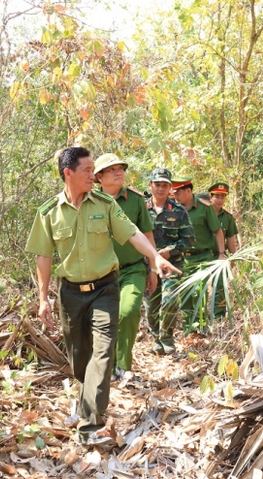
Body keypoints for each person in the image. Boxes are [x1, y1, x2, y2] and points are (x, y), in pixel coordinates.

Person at [25, 147, 180, 446]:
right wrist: (44, 298)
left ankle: (90, 424)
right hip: (70, 294)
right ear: (68, 173)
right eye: (87, 171)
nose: (92, 176)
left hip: (105, 289)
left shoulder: (106, 204)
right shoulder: (48, 212)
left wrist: (154, 259)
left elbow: (133, 233)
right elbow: (43, 256)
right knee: (80, 358)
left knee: (104, 351)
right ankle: (85, 403)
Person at [94, 153, 155, 381]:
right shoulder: (89, 200)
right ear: (99, 176)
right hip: (100, 273)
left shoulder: (136, 200)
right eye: (112, 169)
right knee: (104, 320)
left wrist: (153, 268)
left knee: (128, 312)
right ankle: (106, 368)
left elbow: (147, 234)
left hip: (133, 269)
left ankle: (123, 365)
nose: (119, 172)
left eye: (121, 168)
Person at [145, 168, 195, 354]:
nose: (161, 188)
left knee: (170, 300)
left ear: (170, 187)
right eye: (157, 184)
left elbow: (189, 239)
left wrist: (170, 250)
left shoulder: (179, 211)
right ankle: (156, 339)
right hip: (148, 266)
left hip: (172, 265)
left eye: (165, 185)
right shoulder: (142, 209)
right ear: (151, 185)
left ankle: (167, 338)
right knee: (151, 304)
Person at [171, 176, 225, 330]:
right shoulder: (174, 208)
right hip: (182, 258)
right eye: (174, 193)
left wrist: (221, 253)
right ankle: (189, 326)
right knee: (185, 293)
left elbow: (217, 231)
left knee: (199, 292)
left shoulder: (204, 207)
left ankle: (201, 325)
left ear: (188, 191)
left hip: (202, 257)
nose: (176, 196)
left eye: (178, 193)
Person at [208, 181, 239, 319]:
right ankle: (198, 317)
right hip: (201, 255)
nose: (220, 200)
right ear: (211, 196)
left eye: (223, 197)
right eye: (217, 196)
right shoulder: (202, 213)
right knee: (199, 288)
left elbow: (231, 240)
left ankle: (218, 317)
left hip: (218, 256)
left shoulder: (228, 218)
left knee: (219, 286)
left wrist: (233, 258)